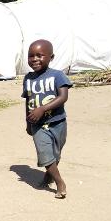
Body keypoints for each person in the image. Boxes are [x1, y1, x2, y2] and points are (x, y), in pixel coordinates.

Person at [22, 39, 72, 199]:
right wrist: (28, 122)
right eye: (31, 56)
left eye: (39, 55)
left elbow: (63, 96)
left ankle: (48, 175)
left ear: (51, 57)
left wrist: (43, 108)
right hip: (38, 125)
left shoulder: (57, 75)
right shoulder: (28, 78)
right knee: (45, 153)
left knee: (55, 154)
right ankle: (60, 183)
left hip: (58, 123)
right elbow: (28, 101)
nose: (34, 59)